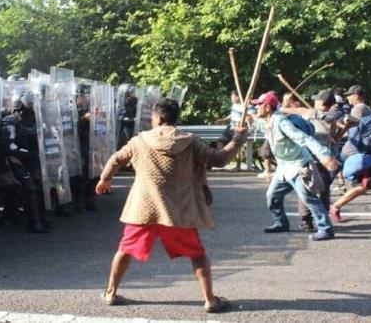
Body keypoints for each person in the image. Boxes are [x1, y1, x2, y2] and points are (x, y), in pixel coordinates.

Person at [95, 98, 247, 313]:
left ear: (159, 118)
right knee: (197, 254)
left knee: (125, 250)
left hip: (144, 209)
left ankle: (110, 293)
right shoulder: (191, 141)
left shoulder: (140, 140)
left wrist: (105, 178)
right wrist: (238, 138)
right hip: (178, 211)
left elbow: (116, 158)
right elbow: (219, 159)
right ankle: (210, 300)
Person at [252, 92, 338, 241]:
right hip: (283, 167)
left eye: (258, 105)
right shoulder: (268, 120)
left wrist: (324, 156)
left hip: (299, 165)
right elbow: (255, 121)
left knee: (308, 197)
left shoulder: (282, 122)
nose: (256, 108)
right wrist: (247, 118)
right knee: (272, 196)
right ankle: (281, 223)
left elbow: (304, 139)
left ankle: (326, 229)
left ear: (266, 107)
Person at [1, 86, 51, 233]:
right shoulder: (10, 121)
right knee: (30, 188)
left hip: (32, 159)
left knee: (41, 186)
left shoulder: (37, 121)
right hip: (15, 160)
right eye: (27, 102)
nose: (30, 105)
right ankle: (33, 223)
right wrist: (30, 152)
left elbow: (45, 139)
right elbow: (10, 147)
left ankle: (41, 218)